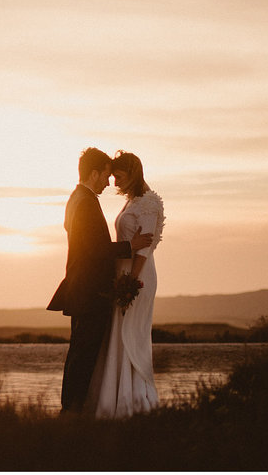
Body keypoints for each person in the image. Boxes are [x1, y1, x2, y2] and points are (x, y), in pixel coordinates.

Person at [47, 148, 154, 414]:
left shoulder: (77, 198)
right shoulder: (84, 202)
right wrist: (130, 246)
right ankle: (72, 410)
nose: (108, 182)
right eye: (106, 175)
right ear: (94, 173)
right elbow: (94, 248)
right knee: (83, 355)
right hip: (90, 290)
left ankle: (72, 409)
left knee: (79, 354)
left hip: (83, 288)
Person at [87, 151, 165, 418]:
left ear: (132, 173)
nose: (114, 182)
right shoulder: (133, 201)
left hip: (137, 276)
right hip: (122, 273)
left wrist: (132, 282)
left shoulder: (148, 202)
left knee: (131, 332)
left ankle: (135, 398)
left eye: (118, 176)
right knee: (117, 333)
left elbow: (144, 249)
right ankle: (114, 395)